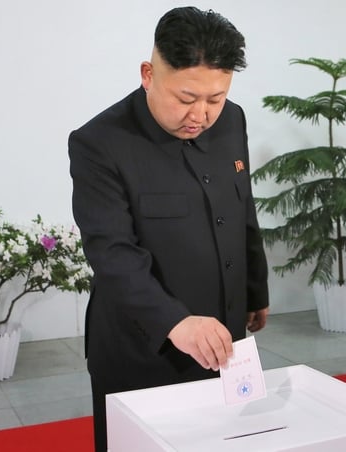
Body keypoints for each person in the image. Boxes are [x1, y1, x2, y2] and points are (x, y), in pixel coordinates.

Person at [68, 6, 270, 450]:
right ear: (148, 74)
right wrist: (176, 322)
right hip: (143, 349)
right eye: (185, 98)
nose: (200, 114)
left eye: (214, 98)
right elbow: (111, 253)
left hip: (225, 341)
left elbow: (241, 210)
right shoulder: (98, 143)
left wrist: (255, 290)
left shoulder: (232, 119)